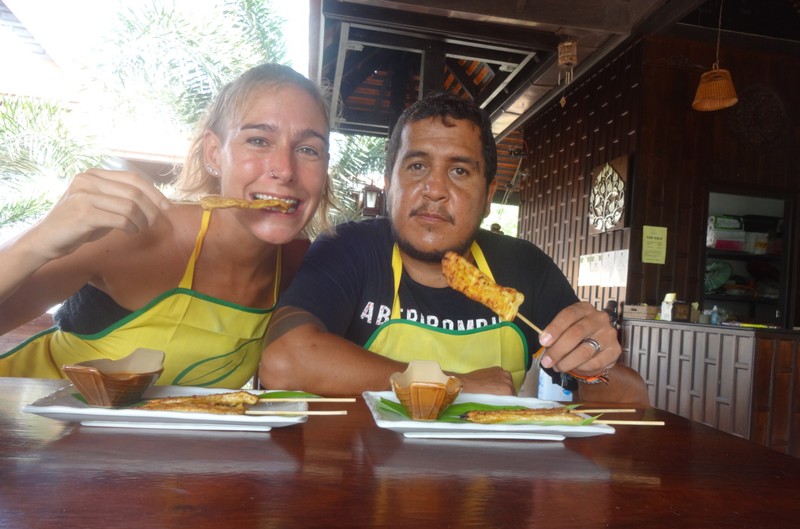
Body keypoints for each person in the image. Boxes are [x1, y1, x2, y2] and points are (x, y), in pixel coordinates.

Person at [259, 91, 646, 404]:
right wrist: (454, 385)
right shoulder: (350, 249)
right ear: (389, 183)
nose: (435, 190)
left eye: (460, 171)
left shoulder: (524, 266)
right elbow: (283, 360)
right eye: (417, 166)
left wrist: (593, 362)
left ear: (489, 195)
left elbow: (633, 397)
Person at [0, 63, 333, 388]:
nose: (285, 170)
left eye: (308, 150)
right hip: (20, 414)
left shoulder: (301, 266)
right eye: (258, 140)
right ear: (214, 154)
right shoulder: (134, 233)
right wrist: (39, 239)